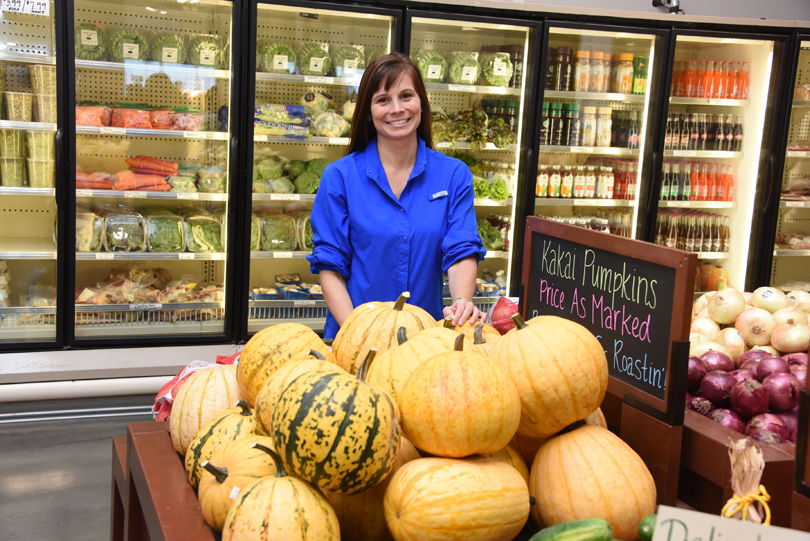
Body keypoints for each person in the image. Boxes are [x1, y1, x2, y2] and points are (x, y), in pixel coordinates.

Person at [307, 53, 487, 339]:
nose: (396, 109)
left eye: (406, 96)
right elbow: (330, 264)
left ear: (421, 104)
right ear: (367, 111)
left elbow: (460, 249)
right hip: (354, 335)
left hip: (425, 338)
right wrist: (357, 334)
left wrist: (461, 302)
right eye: (382, 100)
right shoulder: (340, 176)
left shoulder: (453, 175)